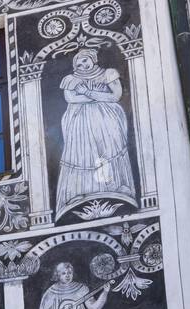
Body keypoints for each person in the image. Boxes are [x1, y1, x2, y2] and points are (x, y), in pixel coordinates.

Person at [55, 48, 136, 219]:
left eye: (85, 60)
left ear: (93, 59)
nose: (82, 65)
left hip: (107, 118)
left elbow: (116, 96)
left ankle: (115, 187)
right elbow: (71, 99)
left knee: (109, 149)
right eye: (78, 63)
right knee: (81, 154)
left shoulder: (109, 73)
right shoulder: (70, 79)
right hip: (80, 121)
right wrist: (98, 96)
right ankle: (78, 192)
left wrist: (88, 93)